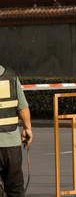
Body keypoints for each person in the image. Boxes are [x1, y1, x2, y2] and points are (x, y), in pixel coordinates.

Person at [0, 65, 32, 197]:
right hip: (11, 146)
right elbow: (23, 108)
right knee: (15, 188)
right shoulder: (12, 77)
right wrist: (27, 128)